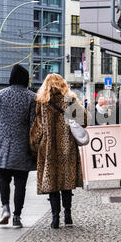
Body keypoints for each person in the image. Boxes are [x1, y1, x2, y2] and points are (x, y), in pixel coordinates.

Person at [29, 74, 89, 229]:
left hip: (48, 148)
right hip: (67, 147)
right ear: (63, 84)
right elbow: (86, 120)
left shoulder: (42, 102)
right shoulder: (70, 100)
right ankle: (68, 215)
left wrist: (34, 145)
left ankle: (55, 218)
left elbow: (38, 127)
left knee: (52, 183)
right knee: (66, 182)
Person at [0, 64, 36, 228]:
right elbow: (33, 124)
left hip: (2, 145)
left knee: (3, 178)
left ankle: (5, 207)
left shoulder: (0, 95)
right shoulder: (31, 97)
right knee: (20, 183)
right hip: (22, 146)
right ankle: (17, 216)